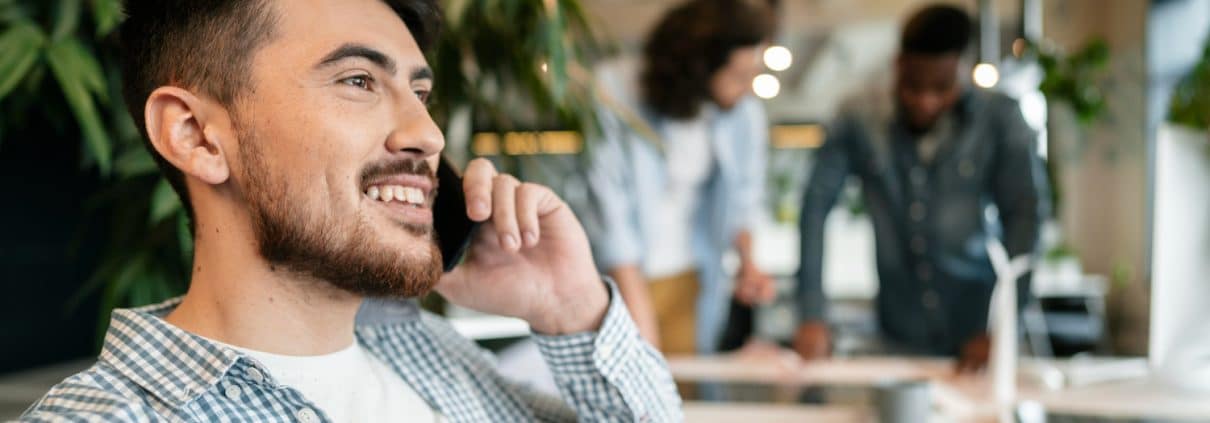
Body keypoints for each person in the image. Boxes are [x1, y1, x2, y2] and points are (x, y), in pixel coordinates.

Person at [21, 0, 681, 421]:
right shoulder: (107, 417)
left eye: (420, 92)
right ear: (195, 135)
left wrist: (572, 312)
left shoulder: (427, 351)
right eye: (359, 81)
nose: (428, 134)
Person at [793, 4, 1049, 372]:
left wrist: (1003, 327)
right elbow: (815, 206)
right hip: (897, 334)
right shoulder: (858, 118)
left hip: (978, 332)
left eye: (941, 88)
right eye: (913, 86)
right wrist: (812, 312)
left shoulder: (1000, 119)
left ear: (964, 66)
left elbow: (1025, 213)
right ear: (899, 65)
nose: (926, 100)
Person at [574, 0, 776, 356]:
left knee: (687, 390)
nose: (747, 88)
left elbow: (745, 194)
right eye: (738, 76)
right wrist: (640, 325)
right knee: (632, 381)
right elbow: (610, 214)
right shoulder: (614, 89)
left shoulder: (743, 114)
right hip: (624, 277)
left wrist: (748, 264)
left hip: (694, 276)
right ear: (698, 68)